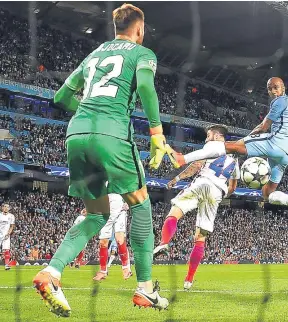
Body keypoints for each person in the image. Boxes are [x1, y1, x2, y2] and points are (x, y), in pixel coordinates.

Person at [32, 4, 175, 317]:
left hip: (77, 134)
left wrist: (90, 107)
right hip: (111, 135)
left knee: (96, 215)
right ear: (139, 29)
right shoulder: (142, 53)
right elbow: (148, 88)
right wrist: (156, 133)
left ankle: (51, 273)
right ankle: (145, 290)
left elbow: (60, 99)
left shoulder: (94, 54)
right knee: (140, 204)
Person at [168, 77, 288, 225]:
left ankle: (182, 158)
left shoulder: (280, 102)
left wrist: (248, 138)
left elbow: (263, 126)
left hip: (274, 143)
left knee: (230, 146)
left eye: (276, 87)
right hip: (287, 155)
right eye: (270, 89)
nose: (273, 91)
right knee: (267, 194)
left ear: (283, 88)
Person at [154, 125, 239, 290]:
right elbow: (233, 187)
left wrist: (177, 178)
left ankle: (164, 243)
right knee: (200, 238)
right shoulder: (235, 161)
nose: (206, 138)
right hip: (217, 192)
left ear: (216, 136)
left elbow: (195, 166)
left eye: (208, 135)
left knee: (175, 212)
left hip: (203, 182)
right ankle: (188, 280)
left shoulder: (212, 147)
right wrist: (222, 195)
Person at [92, 194, 132, 281]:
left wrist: (129, 201)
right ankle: (103, 271)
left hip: (120, 210)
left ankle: (126, 268)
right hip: (106, 211)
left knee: (120, 239)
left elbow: (131, 185)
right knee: (103, 242)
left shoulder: (119, 180)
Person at [0, 204, 15, 270]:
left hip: (6, 235)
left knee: (6, 250)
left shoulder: (11, 216)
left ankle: (6, 265)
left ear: (9, 208)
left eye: (7, 207)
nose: (6, 208)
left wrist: (8, 233)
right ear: (2, 208)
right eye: (4, 207)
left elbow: (12, 226)